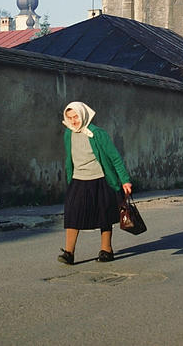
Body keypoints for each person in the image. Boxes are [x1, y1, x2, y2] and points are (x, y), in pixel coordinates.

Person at [58, 101, 132, 265]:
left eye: (76, 116)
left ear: (83, 114)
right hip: (78, 181)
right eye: (70, 118)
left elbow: (115, 158)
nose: (73, 121)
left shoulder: (98, 133)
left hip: (101, 180)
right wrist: (70, 181)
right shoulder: (68, 134)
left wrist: (125, 181)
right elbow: (69, 159)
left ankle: (106, 250)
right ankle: (69, 253)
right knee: (73, 214)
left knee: (103, 215)